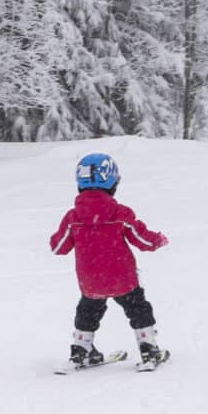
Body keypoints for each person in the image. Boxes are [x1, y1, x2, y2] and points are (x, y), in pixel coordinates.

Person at [49, 153, 170, 369]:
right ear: (112, 182)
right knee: (138, 308)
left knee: (88, 310)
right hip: (122, 278)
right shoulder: (119, 213)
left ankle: (81, 350)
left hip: (91, 280)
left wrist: (61, 236)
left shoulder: (73, 217)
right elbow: (141, 239)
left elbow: (59, 247)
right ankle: (148, 348)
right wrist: (158, 240)